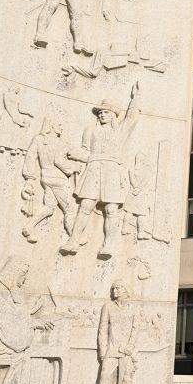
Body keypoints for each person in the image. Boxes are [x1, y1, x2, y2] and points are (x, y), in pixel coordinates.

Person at [60, 82, 141, 259]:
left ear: (113, 115)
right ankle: (74, 240)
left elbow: (131, 118)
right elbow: (86, 152)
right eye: (101, 112)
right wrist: (75, 154)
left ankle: (109, 244)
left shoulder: (120, 131)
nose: (103, 115)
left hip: (112, 170)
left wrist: (136, 98)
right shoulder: (90, 130)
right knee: (85, 205)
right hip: (94, 168)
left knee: (111, 209)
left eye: (106, 112)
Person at [21, 117, 81, 242]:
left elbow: (30, 157)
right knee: (69, 209)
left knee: (49, 207)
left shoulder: (39, 140)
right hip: (59, 179)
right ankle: (74, 237)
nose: (61, 127)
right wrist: (74, 166)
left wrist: (30, 178)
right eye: (59, 124)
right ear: (52, 126)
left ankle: (29, 226)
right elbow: (67, 159)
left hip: (46, 177)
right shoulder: (61, 144)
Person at [94, 279, 136, 384]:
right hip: (111, 350)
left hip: (126, 351)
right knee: (105, 375)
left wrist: (130, 346)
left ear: (125, 289)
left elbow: (136, 329)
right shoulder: (108, 307)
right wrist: (102, 351)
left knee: (125, 379)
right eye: (113, 289)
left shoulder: (133, 308)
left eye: (117, 288)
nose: (114, 291)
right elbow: (103, 329)